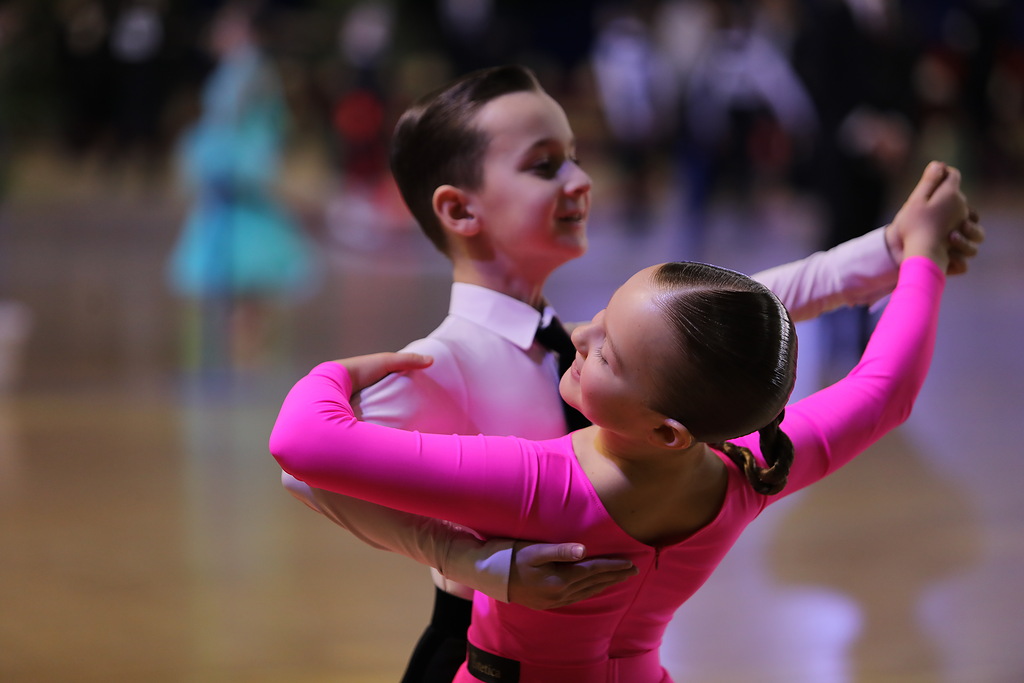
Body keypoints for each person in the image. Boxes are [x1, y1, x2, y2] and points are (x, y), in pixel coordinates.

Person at [279, 65, 983, 682]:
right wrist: (465, 560)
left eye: (575, 157)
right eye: (545, 164)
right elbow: (303, 473)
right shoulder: (446, 359)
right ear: (460, 209)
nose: (581, 179)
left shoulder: (591, 353)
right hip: (466, 646)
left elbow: (714, 337)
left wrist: (893, 247)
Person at [166, 3, 317, 371]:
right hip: (235, 176)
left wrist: (220, 162)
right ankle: (242, 350)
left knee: (244, 277)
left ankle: (244, 352)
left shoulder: (247, 69)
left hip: (238, 175)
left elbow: (236, 123)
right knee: (241, 277)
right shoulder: (245, 69)